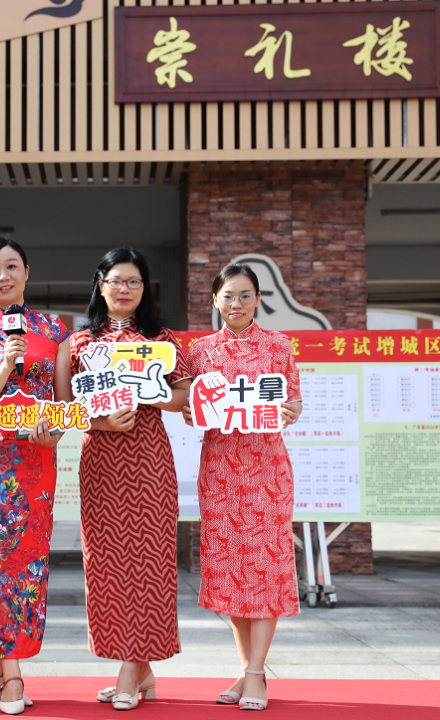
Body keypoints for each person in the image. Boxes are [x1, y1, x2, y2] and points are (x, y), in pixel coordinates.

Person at [68, 247, 190, 711]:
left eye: (134, 281)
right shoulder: (79, 343)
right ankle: (144, 672)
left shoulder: (161, 339)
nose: (124, 288)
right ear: (100, 285)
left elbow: (183, 395)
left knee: (150, 564)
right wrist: (100, 422)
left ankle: (128, 669)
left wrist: (149, 393)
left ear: (144, 288)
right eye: (116, 280)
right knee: (106, 567)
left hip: (149, 462)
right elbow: (64, 407)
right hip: (100, 464)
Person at [0, 238, 72, 716]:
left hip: (37, 463)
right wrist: (5, 363)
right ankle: (14, 673)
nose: (3, 276)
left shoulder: (54, 330)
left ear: (27, 272)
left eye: (12, 266)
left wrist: (54, 432)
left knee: (28, 565)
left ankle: (1, 665)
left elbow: (65, 403)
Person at [181, 263, 303, 712]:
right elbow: (191, 409)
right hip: (221, 473)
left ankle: (255, 674)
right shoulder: (200, 352)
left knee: (265, 569)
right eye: (228, 296)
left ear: (258, 299)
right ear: (215, 299)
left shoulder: (278, 346)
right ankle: (247, 669)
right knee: (231, 570)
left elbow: (294, 401)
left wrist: (289, 411)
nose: (237, 303)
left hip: (267, 472)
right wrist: (190, 413)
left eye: (245, 295)